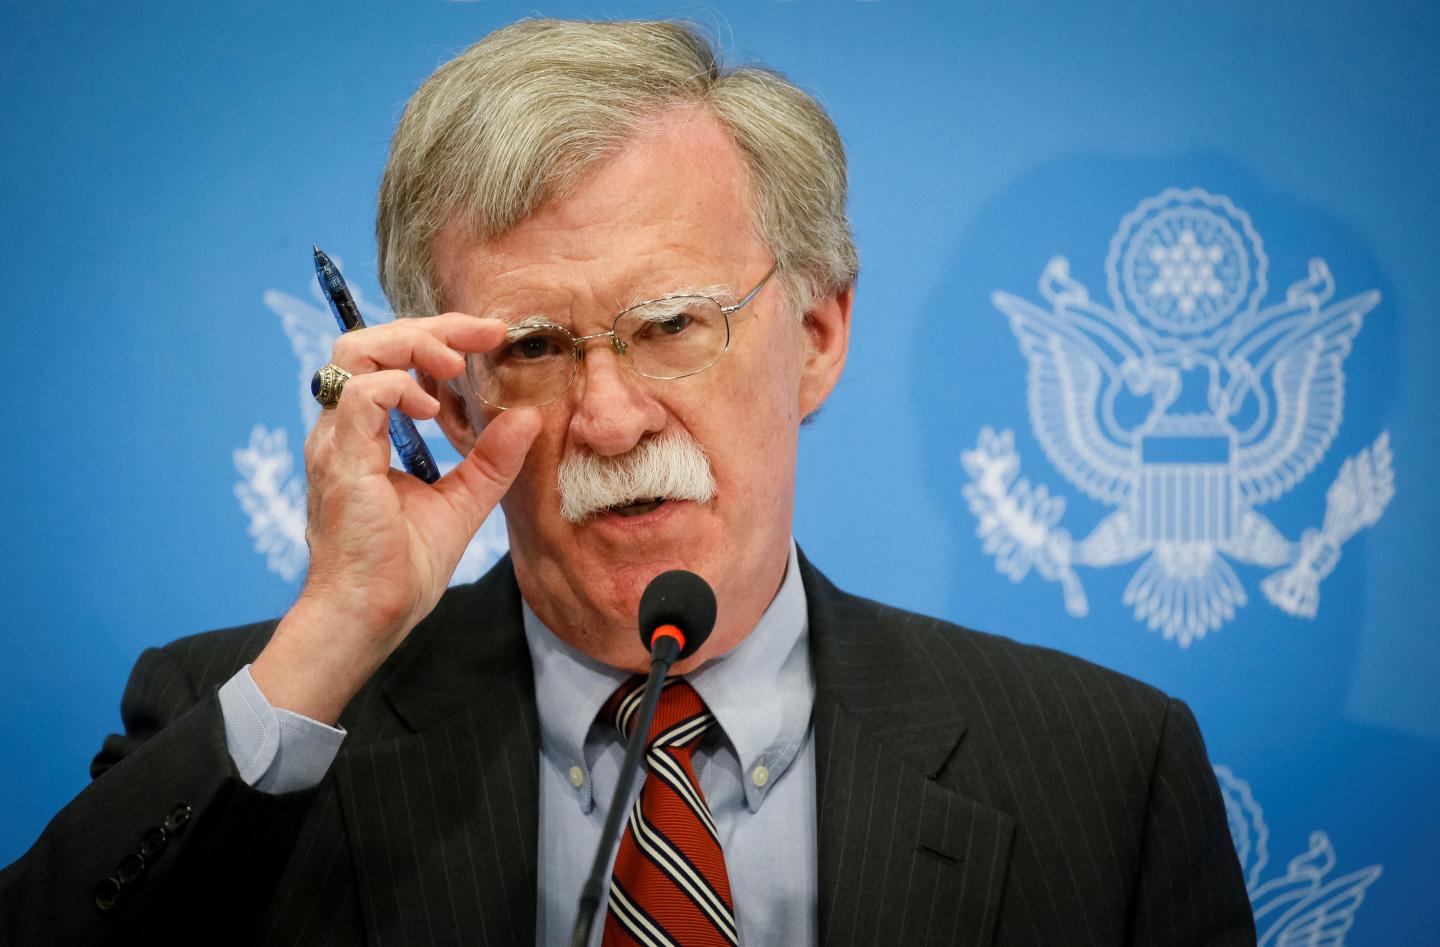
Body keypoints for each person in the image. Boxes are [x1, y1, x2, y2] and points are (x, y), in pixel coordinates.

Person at [0, 18, 1255, 947]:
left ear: (819, 334)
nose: (609, 416)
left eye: (670, 325)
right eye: (536, 347)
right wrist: (335, 633)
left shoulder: (1106, 769)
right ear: (451, 398)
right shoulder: (257, 721)